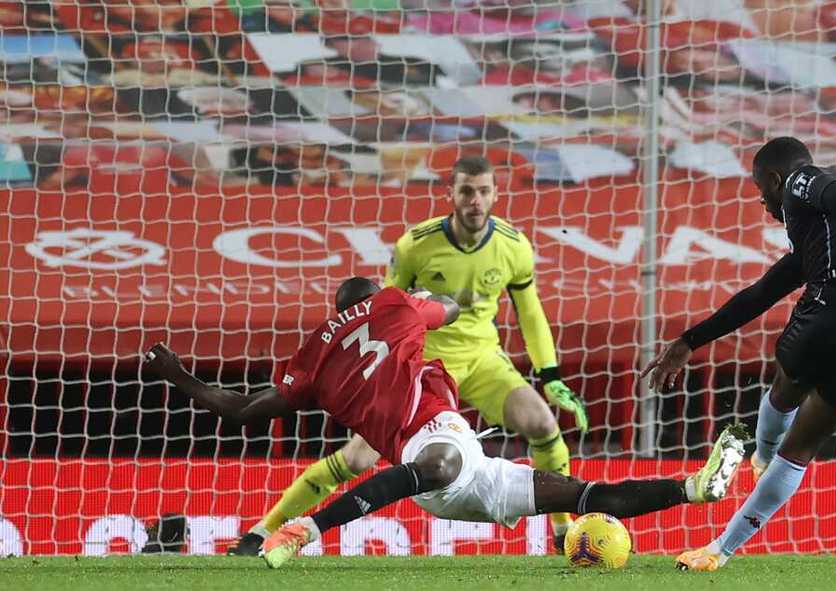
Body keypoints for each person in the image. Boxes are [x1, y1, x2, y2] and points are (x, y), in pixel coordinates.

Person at [143, 278, 750, 567]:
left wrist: (178, 377)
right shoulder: (397, 303)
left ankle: (695, 488)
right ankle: (302, 531)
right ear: (376, 292)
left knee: (591, 497)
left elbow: (243, 409)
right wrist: (423, 298)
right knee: (444, 460)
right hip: (436, 449)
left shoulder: (313, 361)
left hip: (457, 480)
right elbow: (453, 306)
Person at [226, 157, 589, 556]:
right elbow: (384, 309)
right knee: (357, 457)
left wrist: (550, 373)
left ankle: (563, 531)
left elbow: (530, 311)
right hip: (422, 363)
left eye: (484, 191)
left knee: (541, 423)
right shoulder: (416, 245)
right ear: (449, 194)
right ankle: (262, 531)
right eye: (466, 191)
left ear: (495, 194)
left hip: (483, 359)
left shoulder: (513, 246)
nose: (475, 200)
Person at [641, 136, 836, 571]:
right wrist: (690, 340)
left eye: (760, 190)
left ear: (775, 179)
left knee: (786, 383)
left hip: (830, 317)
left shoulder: (800, 181)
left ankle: (763, 453)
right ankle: (720, 550)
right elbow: (760, 293)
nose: (765, 203)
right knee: (801, 452)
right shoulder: (831, 236)